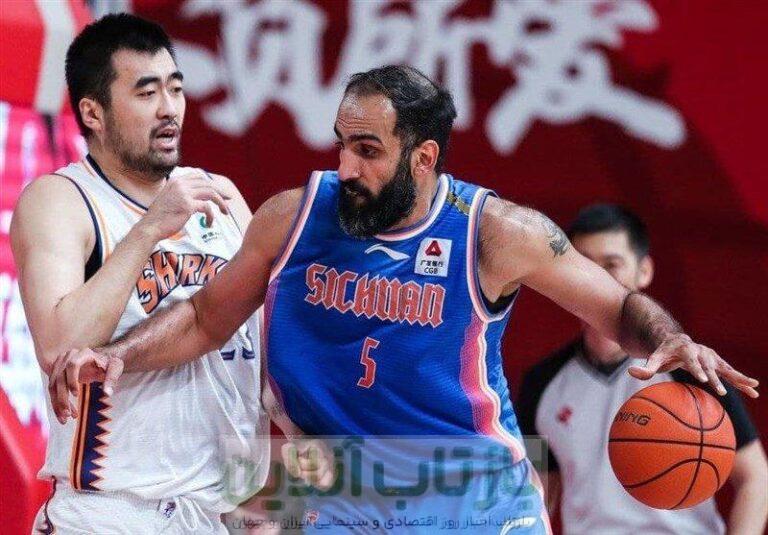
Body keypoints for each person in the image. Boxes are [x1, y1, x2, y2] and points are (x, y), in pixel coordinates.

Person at [48, 66, 759, 533]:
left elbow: (618, 307)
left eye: (367, 150)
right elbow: (205, 317)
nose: (345, 166)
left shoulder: (494, 232)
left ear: (423, 158)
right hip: (346, 497)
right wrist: (116, 355)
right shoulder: (293, 218)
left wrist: (669, 336)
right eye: (341, 145)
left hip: (474, 498)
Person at [10, 14, 267, 534]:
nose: (169, 108)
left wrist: (268, 501)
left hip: (214, 515)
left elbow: (261, 355)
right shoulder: (61, 200)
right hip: (109, 514)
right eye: (147, 93)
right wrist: (149, 228)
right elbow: (59, 347)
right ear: (93, 112)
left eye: (176, 88)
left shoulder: (222, 197)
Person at [516, 204, 768, 535]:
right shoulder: (539, 383)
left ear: (644, 271)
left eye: (612, 264)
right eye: (585, 265)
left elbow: (755, 476)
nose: (598, 278)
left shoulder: (689, 367)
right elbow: (537, 495)